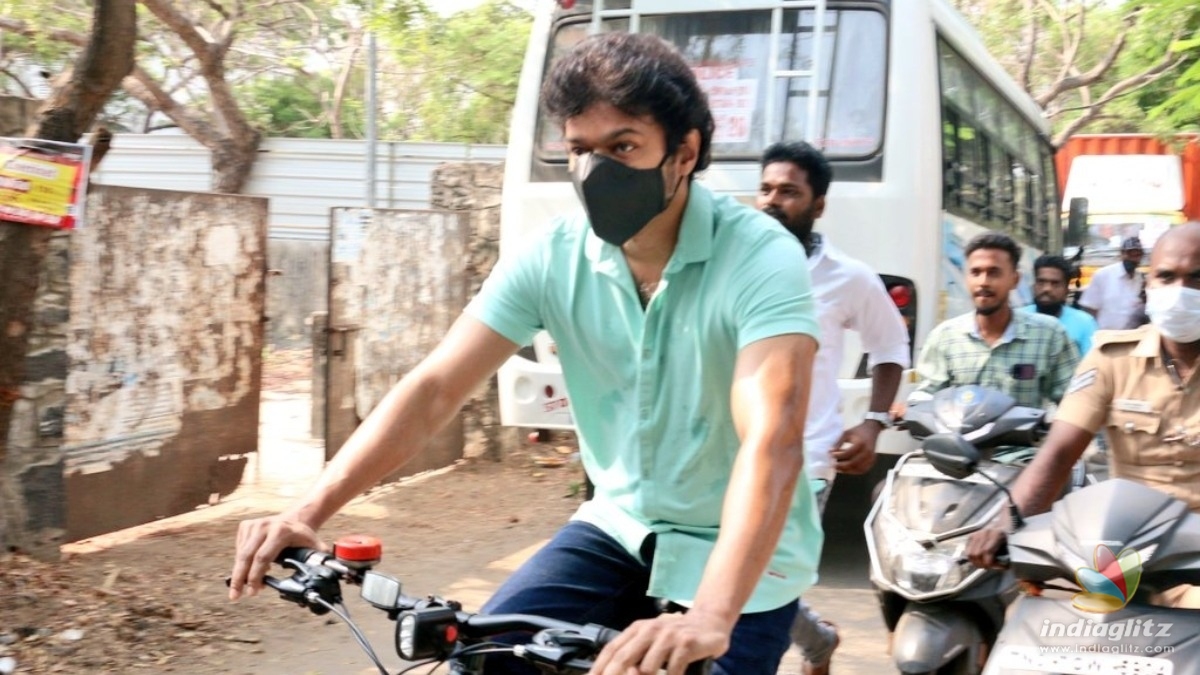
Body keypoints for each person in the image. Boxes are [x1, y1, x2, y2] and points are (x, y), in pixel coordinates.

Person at [229, 32, 824, 675]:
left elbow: (773, 435)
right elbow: (436, 388)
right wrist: (306, 512)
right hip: (618, 530)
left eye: (623, 146)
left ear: (684, 152)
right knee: (479, 663)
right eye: (579, 149)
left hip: (739, 559)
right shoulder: (552, 255)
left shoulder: (761, 256)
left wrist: (710, 616)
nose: (597, 171)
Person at [966, 221, 1200, 608]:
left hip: (1195, 562)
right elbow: (1059, 451)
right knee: (1054, 636)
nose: (1181, 291)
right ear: (1150, 285)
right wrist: (1006, 523)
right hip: (1126, 551)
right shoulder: (1111, 359)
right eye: (1167, 276)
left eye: (1196, 278)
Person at [757, 141, 910, 675]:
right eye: (767, 189)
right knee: (734, 575)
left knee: (768, 579)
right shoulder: (730, 265)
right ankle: (817, 641)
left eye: (789, 192)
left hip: (808, 460)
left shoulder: (848, 276)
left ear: (818, 205)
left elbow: (890, 348)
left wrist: (872, 423)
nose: (773, 201)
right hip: (726, 454)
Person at [910, 232, 1079, 413]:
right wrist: (912, 408)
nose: (983, 282)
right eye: (975, 272)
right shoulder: (944, 336)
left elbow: (1075, 400)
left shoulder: (1049, 334)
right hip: (956, 439)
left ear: (1015, 280)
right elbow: (926, 393)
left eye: (994, 273)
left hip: (1021, 441)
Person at [1025, 254, 1098, 357]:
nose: (1047, 289)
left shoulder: (1084, 322)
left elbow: (1091, 365)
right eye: (1041, 282)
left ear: (1066, 291)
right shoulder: (1016, 318)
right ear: (1034, 285)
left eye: (1055, 283)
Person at [1078, 235, 1146, 330]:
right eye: (1130, 254)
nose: (1133, 259)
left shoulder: (1140, 279)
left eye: (1137, 255)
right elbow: (1090, 308)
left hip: (1131, 337)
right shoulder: (1103, 275)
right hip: (1105, 337)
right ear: (1122, 254)